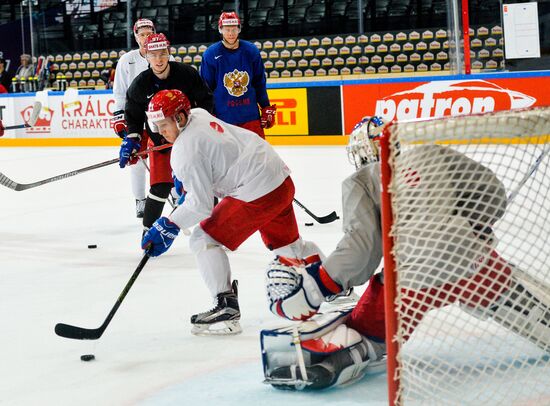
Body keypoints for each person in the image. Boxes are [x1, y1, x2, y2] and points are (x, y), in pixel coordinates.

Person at [263, 116, 550, 390]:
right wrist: (466, 231)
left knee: (367, 331)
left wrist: (318, 284)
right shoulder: (434, 154)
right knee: (511, 295)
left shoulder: (361, 180)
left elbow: (362, 250)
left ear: (361, 151)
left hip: (411, 276)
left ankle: (329, 363)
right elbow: (494, 196)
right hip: (471, 258)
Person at [140, 89, 323, 336]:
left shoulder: (185, 150)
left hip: (256, 190)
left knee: (203, 239)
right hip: (277, 178)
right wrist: (189, 181)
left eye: (163, 125)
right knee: (288, 246)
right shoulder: (199, 114)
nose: (159, 132)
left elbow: (201, 205)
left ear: (181, 118)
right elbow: (211, 159)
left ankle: (225, 306)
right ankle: (334, 285)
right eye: (155, 125)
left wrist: (168, 224)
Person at [119, 33, 213, 236]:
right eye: (154, 55)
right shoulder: (140, 84)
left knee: (203, 185)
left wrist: (204, 127)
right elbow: (133, 115)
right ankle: (148, 231)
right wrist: (132, 139)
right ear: (146, 55)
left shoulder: (187, 74)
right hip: (159, 141)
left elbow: (205, 101)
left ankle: (214, 230)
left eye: (163, 54)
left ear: (169, 53)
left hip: (189, 140)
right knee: (160, 186)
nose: (159, 59)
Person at [200, 11, 276, 139]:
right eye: (227, 29)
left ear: (239, 29)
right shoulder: (210, 54)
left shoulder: (251, 51)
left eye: (234, 29)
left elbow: (259, 83)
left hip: (250, 117)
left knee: (257, 157)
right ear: (220, 29)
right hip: (224, 119)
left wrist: (265, 106)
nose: (230, 33)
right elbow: (205, 89)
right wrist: (208, 114)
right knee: (228, 158)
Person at [112, 18, 157, 218]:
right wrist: (119, 117)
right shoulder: (126, 60)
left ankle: (174, 191)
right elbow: (120, 92)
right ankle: (140, 199)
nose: (146, 37)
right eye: (142, 34)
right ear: (136, 36)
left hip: (161, 117)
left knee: (169, 157)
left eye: (149, 33)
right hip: (136, 117)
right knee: (137, 160)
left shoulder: (163, 56)